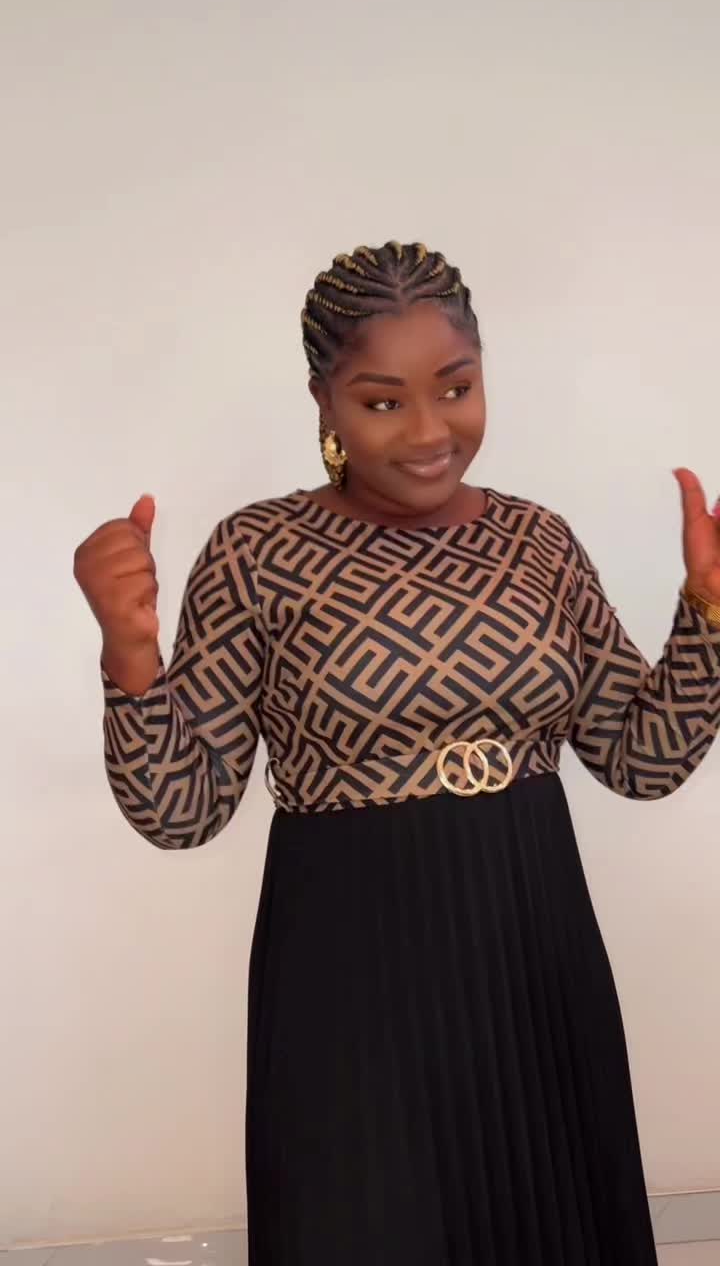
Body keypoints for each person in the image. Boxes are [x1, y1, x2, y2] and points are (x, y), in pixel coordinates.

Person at [74, 241, 720, 1266]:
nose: (428, 431)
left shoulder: (538, 542)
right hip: (349, 967)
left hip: (534, 949)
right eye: (383, 401)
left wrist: (710, 614)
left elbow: (642, 757)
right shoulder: (257, 552)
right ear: (323, 401)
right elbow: (181, 809)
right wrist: (131, 657)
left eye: (456, 388)